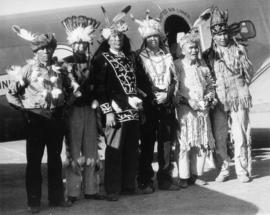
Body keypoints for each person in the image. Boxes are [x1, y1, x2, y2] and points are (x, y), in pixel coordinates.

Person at [6, 25, 72, 213]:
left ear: (53, 49)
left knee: (55, 160)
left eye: (49, 48)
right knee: (34, 162)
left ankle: (56, 199)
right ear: (35, 51)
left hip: (55, 119)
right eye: (41, 49)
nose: (45, 51)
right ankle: (34, 202)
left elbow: (70, 88)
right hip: (36, 120)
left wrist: (64, 106)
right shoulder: (27, 70)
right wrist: (25, 111)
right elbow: (12, 93)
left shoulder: (58, 69)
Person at [92, 5, 142, 201]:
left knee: (131, 150)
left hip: (133, 111)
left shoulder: (129, 58)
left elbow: (135, 84)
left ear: (123, 38)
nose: (116, 39)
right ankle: (113, 189)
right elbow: (100, 88)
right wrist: (108, 112)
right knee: (114, 151)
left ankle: (129, 186)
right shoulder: (101, 59)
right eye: (113, 37)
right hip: (115, 112)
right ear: (108, 39)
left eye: (119, 37)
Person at [131, 10, 179, 193]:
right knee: (148, 142)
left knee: (166, 142)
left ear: (160, 38)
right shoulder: (139, 58)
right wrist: (150, 97)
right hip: (149, 103)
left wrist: (168, 93)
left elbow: (174, 79)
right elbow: (137, 81)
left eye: (155, 37)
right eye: (149, 38)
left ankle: (165, 178)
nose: (153, 40)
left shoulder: (167, 57)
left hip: (165, 103)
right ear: (145, 40)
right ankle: (145, 180)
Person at [204, 7, 253, 183]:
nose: (223, 37)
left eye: (225, 33)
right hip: (219, 99)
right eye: (218, 35)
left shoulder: (239, 49)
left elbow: (249, 73)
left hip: (239, 97)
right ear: (213, 36)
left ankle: (242, 170)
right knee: (219, 136)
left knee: (240, 133)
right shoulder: (209, 55)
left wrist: (242, 83)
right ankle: (224, 168)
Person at [61, 16, 103, 203]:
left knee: (91, 150)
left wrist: (95, 100)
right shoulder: (65, 64)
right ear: (72, 45)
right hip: (74, 112)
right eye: (77, 44)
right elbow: (62, 89)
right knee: (74, 151)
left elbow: (98, 85)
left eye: (83, 45)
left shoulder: (93, 63)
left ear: (87, 46)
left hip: (90, 110)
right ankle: (72, 193)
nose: (80, 48)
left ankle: (91, 190)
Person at [174, 32, 216, 188]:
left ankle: (196, 175)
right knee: (185, 144)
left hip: (202, 111)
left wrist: (208, 99)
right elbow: (174, 89)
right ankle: (184, 177)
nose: (194, 51)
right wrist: (187, 101)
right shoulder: (177, 65)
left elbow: (211, 85)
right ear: (183, 50)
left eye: (196, 48)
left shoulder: (202, 64)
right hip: (185, 111)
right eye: (190, 48)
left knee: (201, 143)